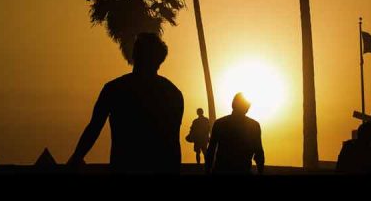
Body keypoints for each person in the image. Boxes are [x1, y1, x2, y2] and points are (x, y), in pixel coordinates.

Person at [67, 32, 184, 174]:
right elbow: (173, 141)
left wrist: (76, 157)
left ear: (135, 55)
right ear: (159, 60)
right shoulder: (173, 93)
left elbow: (94, 127)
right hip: (161, 169)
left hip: (124, 168)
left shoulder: (115, 89)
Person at [205, 93, 265, 175]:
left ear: (233, 105)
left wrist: (207, 170)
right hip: (243, 170)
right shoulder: (254, 125)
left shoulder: (219, 123)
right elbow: (259, 152)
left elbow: (211, 150)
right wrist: (260, 171)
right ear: (247, 108)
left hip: (221, 170)